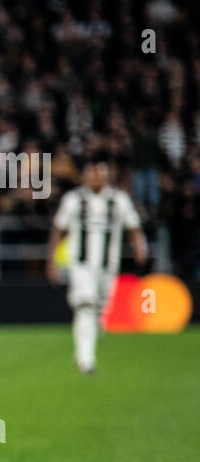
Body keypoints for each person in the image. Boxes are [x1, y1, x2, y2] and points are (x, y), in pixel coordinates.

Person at [46, 155, 147, 373]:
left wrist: (140, 247)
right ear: (84, 175)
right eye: (91, 172)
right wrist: (52, 261)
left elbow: (133, 227)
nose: (96, 177)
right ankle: (86, 361)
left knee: (98, 313)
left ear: (107, 175)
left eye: (100, 172)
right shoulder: (73, 199)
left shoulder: (118, 199)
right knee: (86, 305)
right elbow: (59, 230)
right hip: (81, 265)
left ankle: (84, 349)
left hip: (108, 266)